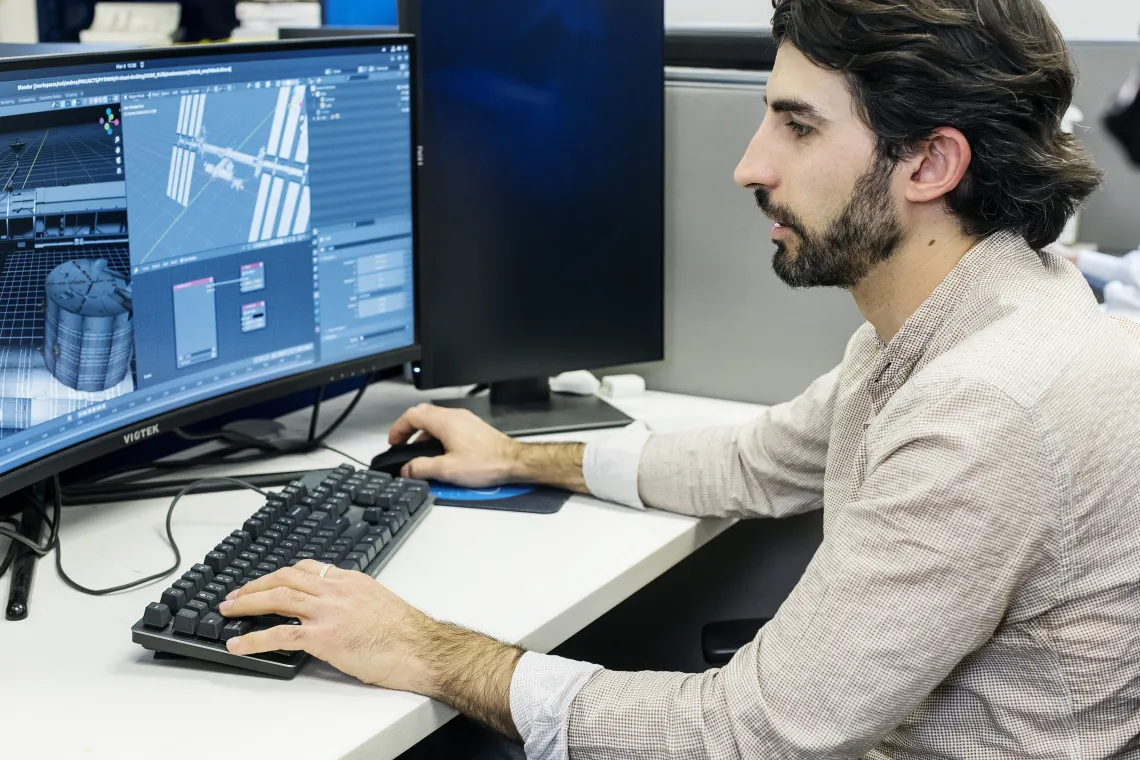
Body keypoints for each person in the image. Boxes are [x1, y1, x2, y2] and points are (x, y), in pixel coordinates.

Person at [219, 0, 1140, 757]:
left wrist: (427, 650)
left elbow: (751, 731)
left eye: (797, 124)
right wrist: (520, 458)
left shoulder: (988, 403)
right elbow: (759, 460)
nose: (750, 164)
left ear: (931, 163)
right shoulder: (974, 316)